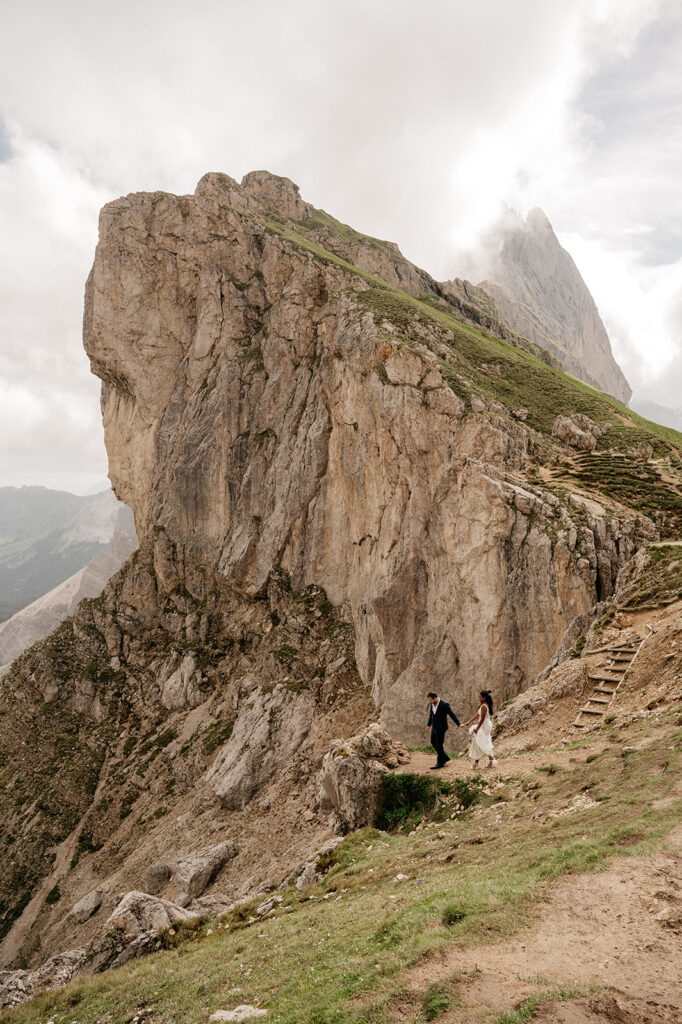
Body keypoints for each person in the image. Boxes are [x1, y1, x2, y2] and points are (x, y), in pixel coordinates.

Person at [460, 690, 497, 770]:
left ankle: (488, 761)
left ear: (484, 698)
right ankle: (483, 762)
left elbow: (482, 719)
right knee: (479, 742)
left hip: (483, 726)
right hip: (485, 725)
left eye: (480, 697)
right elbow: (477, 715)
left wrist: (477, 728)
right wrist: (468, 722)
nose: (479, 698)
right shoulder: (484, 705)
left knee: (480, 742)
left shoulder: (484, 706)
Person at [426, 691, 460, 769]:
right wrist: (429, 724)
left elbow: (452, 714)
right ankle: (444, 757)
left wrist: (458, 723)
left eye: (431, 700)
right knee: (433, 742)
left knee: (439, 744)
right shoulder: (432, 704)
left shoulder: (444, 704)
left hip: (441, 727)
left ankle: (440, 762)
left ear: (435, 698)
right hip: (434, 726)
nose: (430, 702)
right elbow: (431, 715)